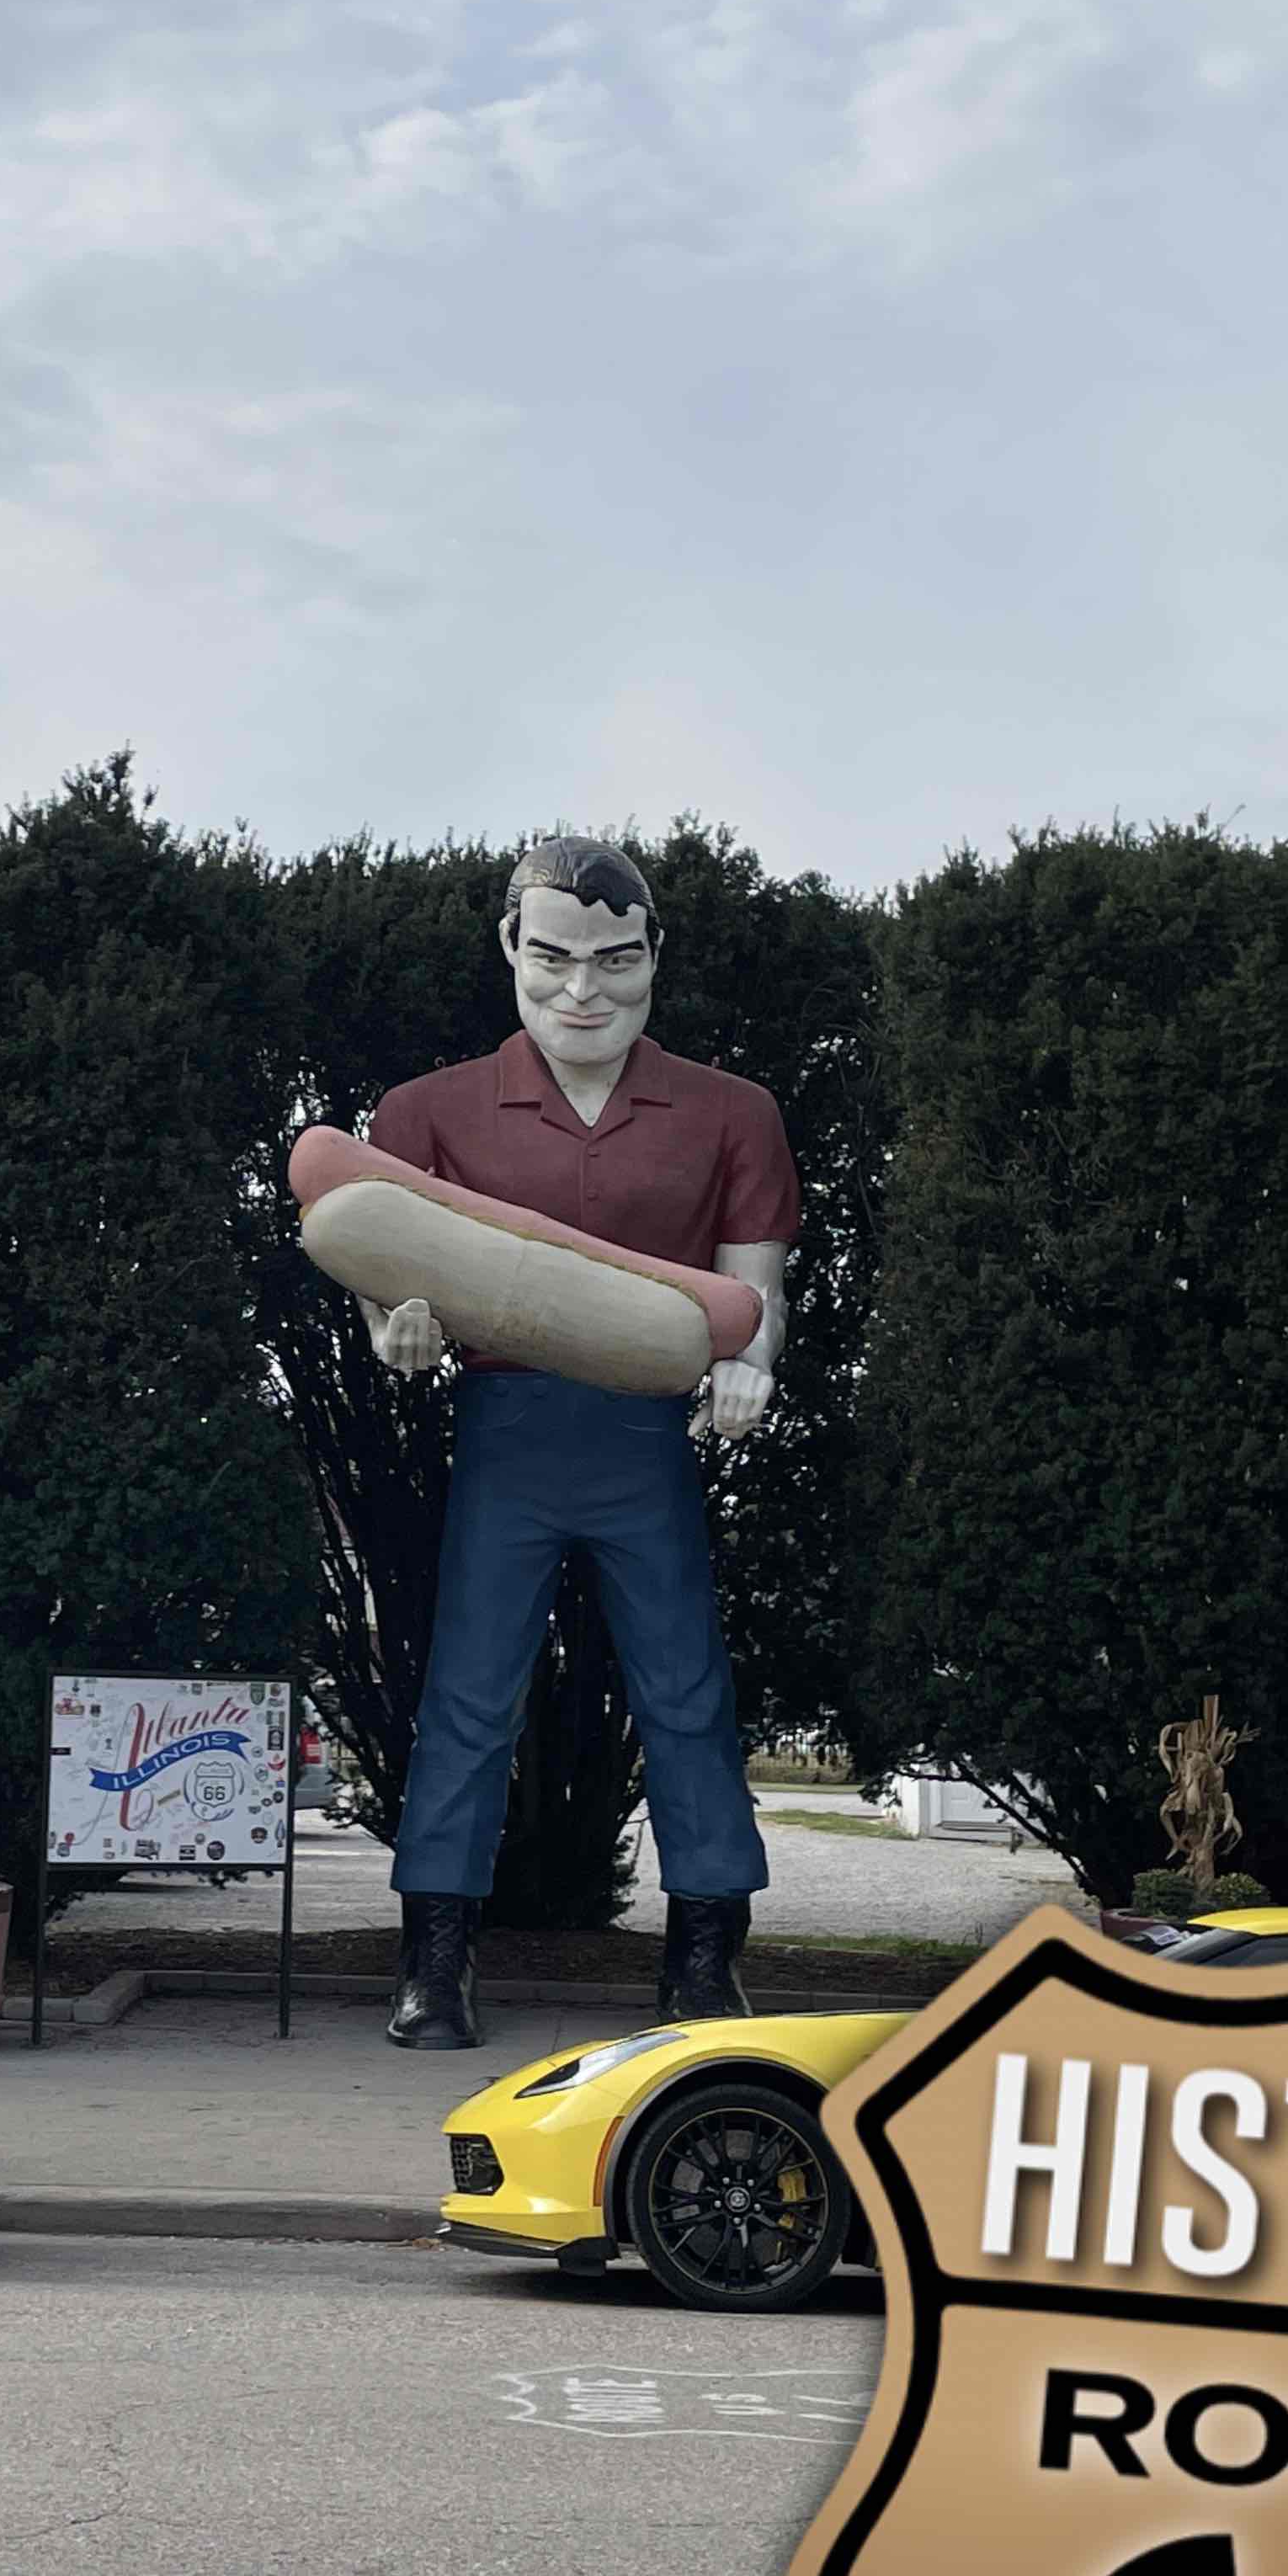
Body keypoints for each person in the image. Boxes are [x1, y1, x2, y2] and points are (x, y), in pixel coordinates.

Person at [355, 835, 797, 2046]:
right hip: (509, 1427)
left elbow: (753, 1291)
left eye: (614, 960)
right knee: (468, 1690)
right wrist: (397, 1332)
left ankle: (705, 1954)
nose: (581, 990)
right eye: (552, 958)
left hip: (644, 1430)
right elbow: (389, 1275)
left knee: (687, 1691)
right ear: (509, 947)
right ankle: (433, 1960)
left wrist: (749, 1363)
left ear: (655, 955)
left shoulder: (732, 1113)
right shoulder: (426, 1112)